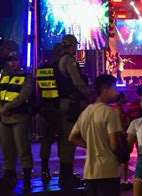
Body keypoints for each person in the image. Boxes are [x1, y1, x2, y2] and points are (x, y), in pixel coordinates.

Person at [69, 74, 122, 196]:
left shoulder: (86, 112)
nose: (117, 93)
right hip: (108, 171)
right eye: (114, 89)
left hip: (89, 172)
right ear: (105, 91)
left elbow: (72, 138)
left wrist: (92, 145)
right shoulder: (109, 113)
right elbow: (114, 145)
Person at [0, 51, 34, 193]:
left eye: (15, 59)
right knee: (6, 150)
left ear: (20, 60)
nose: (12, 62)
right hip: (5, 117)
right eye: (10, 59)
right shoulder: (4, 76)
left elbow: (24, 95)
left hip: (19, 117)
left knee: (23, 149)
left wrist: (6, 108)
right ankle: (9, 176)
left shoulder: (26, 76)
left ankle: (27, 179)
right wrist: (0, 108)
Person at [55, 34, 92, 187]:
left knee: (64, 139)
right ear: (73, 46)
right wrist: (89, 95)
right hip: (70, 104)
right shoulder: (69, 60)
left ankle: (65, 175)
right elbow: (77, 82)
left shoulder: (58, 60)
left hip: (61, 103)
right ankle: (67, 176)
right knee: (70, 139)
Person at [37, 43, 63, 183]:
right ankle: (65, 171)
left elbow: (39, 90)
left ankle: (44, 170)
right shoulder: (59, 69)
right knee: (62, 140)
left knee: (46, 140)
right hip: (58, 109)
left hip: (46, 109)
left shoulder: (41, 69)